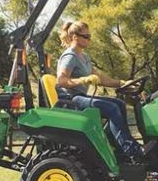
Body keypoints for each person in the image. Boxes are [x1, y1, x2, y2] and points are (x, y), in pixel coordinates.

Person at [55, 20, 143, 161]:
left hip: (81, 96)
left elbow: (101, 79)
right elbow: (61, 80)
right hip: (71, 99)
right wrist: (82, 80)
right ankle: (130, 149)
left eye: (89, 36)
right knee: (111, 108)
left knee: (119, 104)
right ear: (75, 37)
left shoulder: (84, 57)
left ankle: (114, 144)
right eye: (86, 36)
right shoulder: (70, 56)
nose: (89, 39)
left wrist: (122, 83)